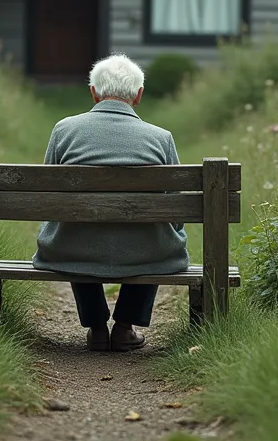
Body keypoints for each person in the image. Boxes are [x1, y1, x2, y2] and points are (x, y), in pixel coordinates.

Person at [31, 53, 189, 352]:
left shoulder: (63, 130)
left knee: (73, 233)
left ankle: (96, 327)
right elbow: (176, 212)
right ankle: (125, 327)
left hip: (72, 248)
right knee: (160, 238)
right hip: (147, 252)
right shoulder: (161, 138)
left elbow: (48, 200)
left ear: (94, 92)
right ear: (139, 95)